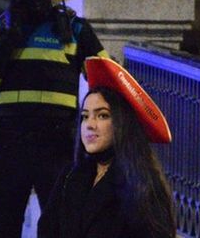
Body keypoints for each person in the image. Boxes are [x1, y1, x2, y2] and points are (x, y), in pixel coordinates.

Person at [0, 0, 109, 237]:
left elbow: (106, 79)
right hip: (8, 146)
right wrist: (7, 41)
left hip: (56, 147)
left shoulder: (73, 29)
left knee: (60, 228)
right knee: (2, 229)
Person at [37, 57, 176, 237]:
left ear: (122, 123)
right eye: (85, 116)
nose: (90, 125)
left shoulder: (143, 185)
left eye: (102, 116)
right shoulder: (69, 176)